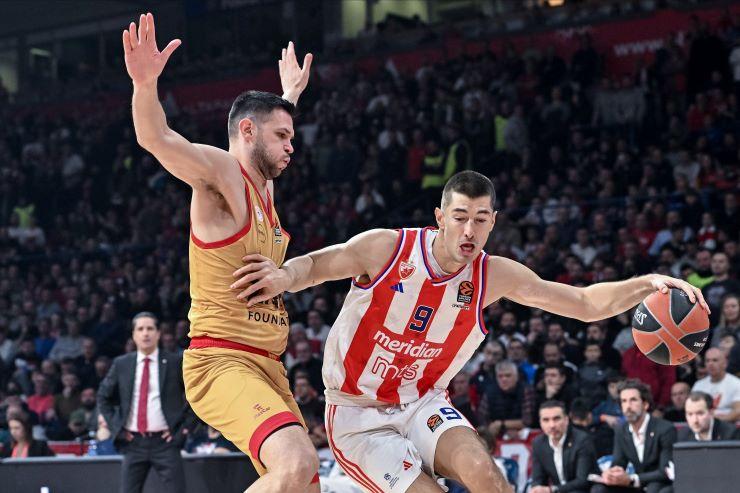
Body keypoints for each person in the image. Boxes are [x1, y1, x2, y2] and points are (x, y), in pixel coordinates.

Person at [231, 171, 707, 493]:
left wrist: (647, 282)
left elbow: (583, 304)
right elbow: (320, 264)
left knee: (487, 476)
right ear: (440, 217)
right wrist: (284, 276)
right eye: (459, 218)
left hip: (422, 402)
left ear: (493, 222)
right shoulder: (388, 248)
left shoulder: (493, 275)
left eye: (480, 220)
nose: (469, 231)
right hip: (359, 415)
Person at [121, 13, 320, 491]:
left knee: (305, 480)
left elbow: (267, 127)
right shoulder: (222, 173)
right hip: (222, 360)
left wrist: (288, 97)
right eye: (282, 137)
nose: (291, 147)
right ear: (247, 131)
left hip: (267, 365)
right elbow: (156, 139)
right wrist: (145, 85)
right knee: (295, 462)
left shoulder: (265, 186)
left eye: (291, 137)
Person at [97, 312, 197, 493]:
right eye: (140, 329)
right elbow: (103, 397)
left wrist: (184, 429)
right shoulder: (121, 364)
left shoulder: (174, 362)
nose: (145, 333)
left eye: (150, 328)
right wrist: (117, 427)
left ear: (158, 333)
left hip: (166, 442)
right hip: (134, 442)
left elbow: (196, 395)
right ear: (134, 335)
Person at [593, 379, 676, 493]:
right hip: (635, 485)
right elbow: (619, 463)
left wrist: (632, 479)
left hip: (659, 484)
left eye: (633, 400)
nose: (628, 406)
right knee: (599, 489)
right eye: (624, 401)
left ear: (645, 404)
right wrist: (612, 473)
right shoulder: (621, 430)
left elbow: (666, 471)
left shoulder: (665, 429)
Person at [531, 400, 598, 493]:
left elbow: (582, 481)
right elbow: (538, 479)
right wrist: (537, 489)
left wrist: (552, 489)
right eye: (546, 420)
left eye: (556, 419)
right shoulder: (538, 443)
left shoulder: (582, 440)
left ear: (566, 420)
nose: (552, 425)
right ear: (540, 423)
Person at [691, 347, 740, 422]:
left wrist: (715, 421)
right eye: (707, 360)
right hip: (703, 426)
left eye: (715, 360)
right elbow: (691, 410)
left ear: (725, 363)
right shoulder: (698, 386)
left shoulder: (736, 383)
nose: (710, 364)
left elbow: (738, 411)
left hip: (729, 426)